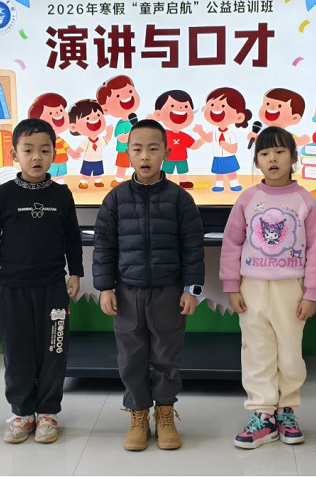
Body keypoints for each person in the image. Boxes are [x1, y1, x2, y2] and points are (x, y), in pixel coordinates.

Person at [92, 119, 205, 451]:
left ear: (166, 153)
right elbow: (103, 246)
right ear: (127, 154)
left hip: (169, 293)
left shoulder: (180, 199)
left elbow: (193, 248)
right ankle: (138, 414)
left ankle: (165, 414)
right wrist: (105, 287)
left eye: (153, 149)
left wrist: (192, 289)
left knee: (166, 356)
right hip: (127, 293)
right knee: (131, 358)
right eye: (137, 149)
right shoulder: (115, 199)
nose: (145, 156)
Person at [0, 118, 83, 444]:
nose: (37, 157)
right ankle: (22, 412)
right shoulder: (3, 195)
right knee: (17, 351)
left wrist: (75, 273)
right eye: (28, 150)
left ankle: (48, 413)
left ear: (54, 155)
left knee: (54, 351)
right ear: (14, 155)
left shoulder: (61, 195)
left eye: (44, 150)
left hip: (53, 289)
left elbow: (73, 239)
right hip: (13, 289)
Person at [220, 126, 316, 449]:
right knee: (257, 350)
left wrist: (312, 293)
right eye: (265, 153)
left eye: (280, 152)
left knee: (290, 353)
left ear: (293, 157)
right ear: (257, 161)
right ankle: (263, 414)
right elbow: (231, 243)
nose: (272, 159)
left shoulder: (305, 200)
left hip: (292, 289)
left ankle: (287, 410)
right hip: (252, 287)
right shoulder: (247, 198)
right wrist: (232, 285)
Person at [193, 87, 252, 192]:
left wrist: (226, 146)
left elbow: (234, 149)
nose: (216, 109)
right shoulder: (214, 132)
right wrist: (200, 131)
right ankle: (219, 185)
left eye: (223, 106)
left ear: (239, 117)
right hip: (218, 157)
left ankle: (234, 184)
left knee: (231, 172)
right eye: (212, 105)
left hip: (229, 157)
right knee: (218, 173)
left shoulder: (230, 134)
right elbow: (208, 139)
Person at [152, 89, 205, 189]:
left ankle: (183, 182)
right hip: (168, 158)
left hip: (182, 158)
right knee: (167, 172)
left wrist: (203, 138)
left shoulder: (184, 136)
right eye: (172, 106)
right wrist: (153, 120)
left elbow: (193, 146)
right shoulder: (164, 133)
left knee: (182, 171)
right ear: (159, 114)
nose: (181, 108)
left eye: (186, 107)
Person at [27, 93, 81, 185]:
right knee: (51, 173)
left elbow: (66, 147)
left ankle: (60, 184)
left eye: (61, 110)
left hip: (62, 160)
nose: (58, 114)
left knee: (61, 173)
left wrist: (73, 154)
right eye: (50, 113)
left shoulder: (59, 139)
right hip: (50, 162)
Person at [97, 75, 140, 186]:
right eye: (117, 96)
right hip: (124, 150)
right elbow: (122, 139)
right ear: (106, 108)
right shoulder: (120, 125)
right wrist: (133, 131)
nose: (127, 96)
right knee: (122, 165)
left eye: (130, 91)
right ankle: (119, 180)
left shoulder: (134, 120)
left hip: (137, 149)